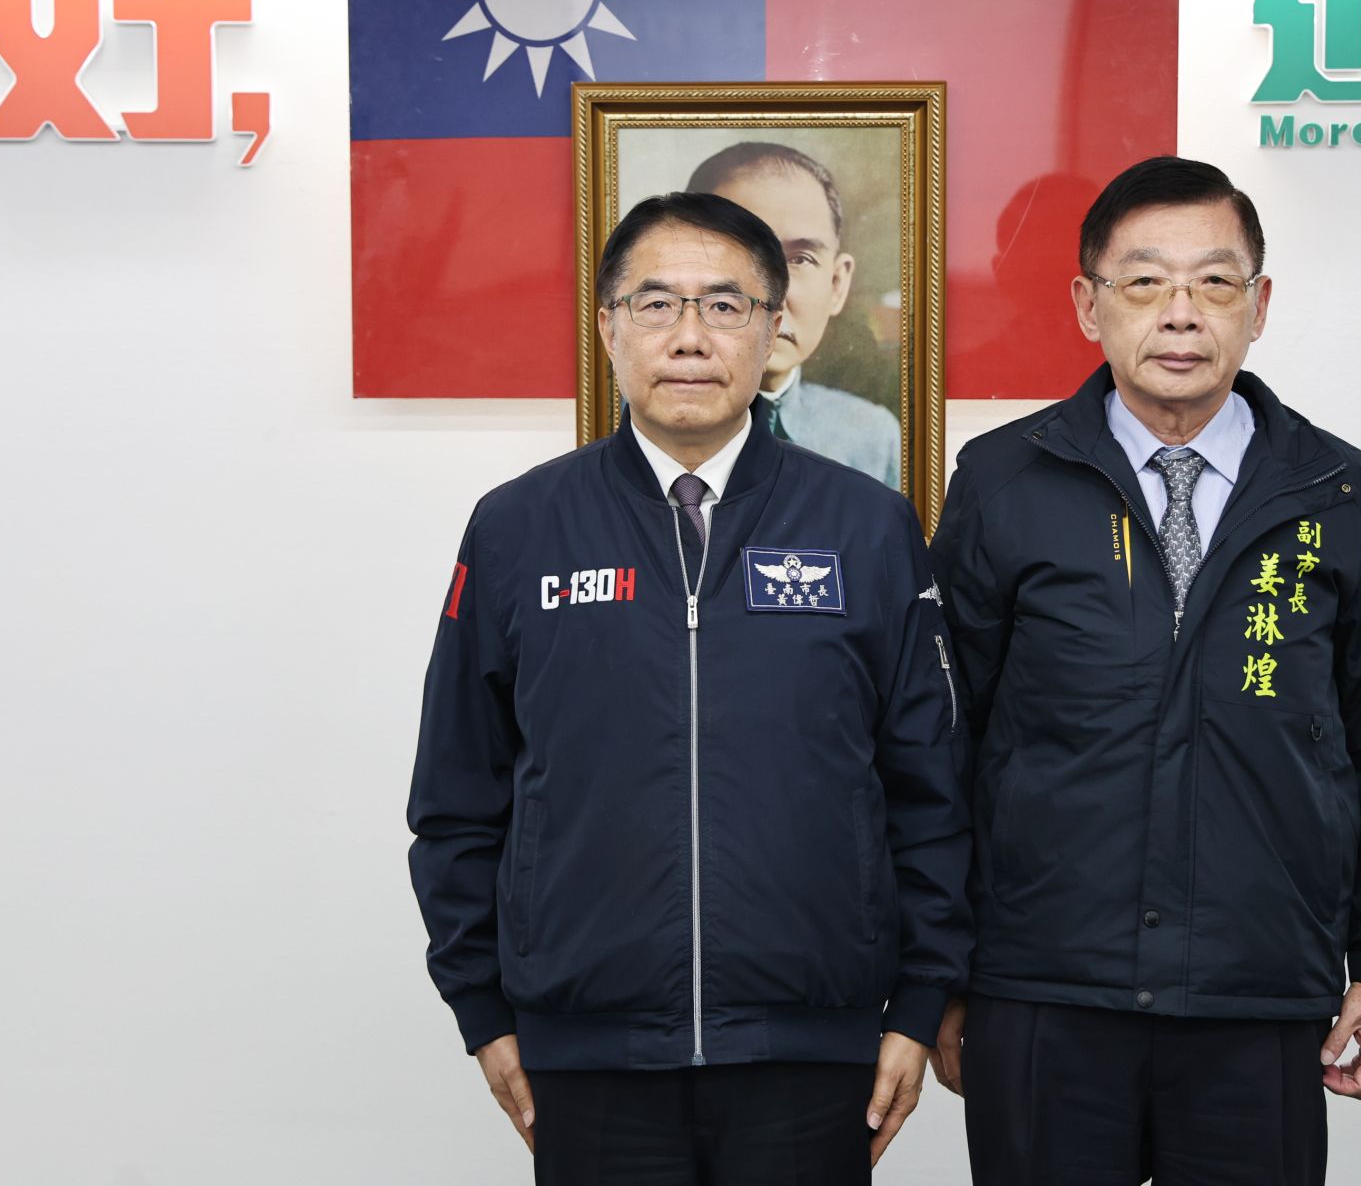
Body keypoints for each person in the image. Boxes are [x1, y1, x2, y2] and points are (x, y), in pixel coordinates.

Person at [406, 191, 971, 1183]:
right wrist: (482, 1011)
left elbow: (932, 789)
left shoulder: (867, 526)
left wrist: (921, 1004)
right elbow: (457, 796)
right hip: (588, 1057)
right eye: (657, 303)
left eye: (725, 305)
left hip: (809, 1053)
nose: (690, 337)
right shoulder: (519, 528)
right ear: (608, 326)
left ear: (772, 324)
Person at [927, 156, 1361, 1185]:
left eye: (1214, 281)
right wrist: (933, 970)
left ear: (1260, 305)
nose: (1180, 313)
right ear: (1089, 306)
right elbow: (943, 736)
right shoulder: (1003, 479)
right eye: (1144, 282)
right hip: (1046, 984)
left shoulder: (1336, 488)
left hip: (1257, 986)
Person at [686, 141, 901, 487]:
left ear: (837, 284)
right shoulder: (628, 425)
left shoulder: (872, 441)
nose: (773, 297)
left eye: (800, 259)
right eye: (738, 253)